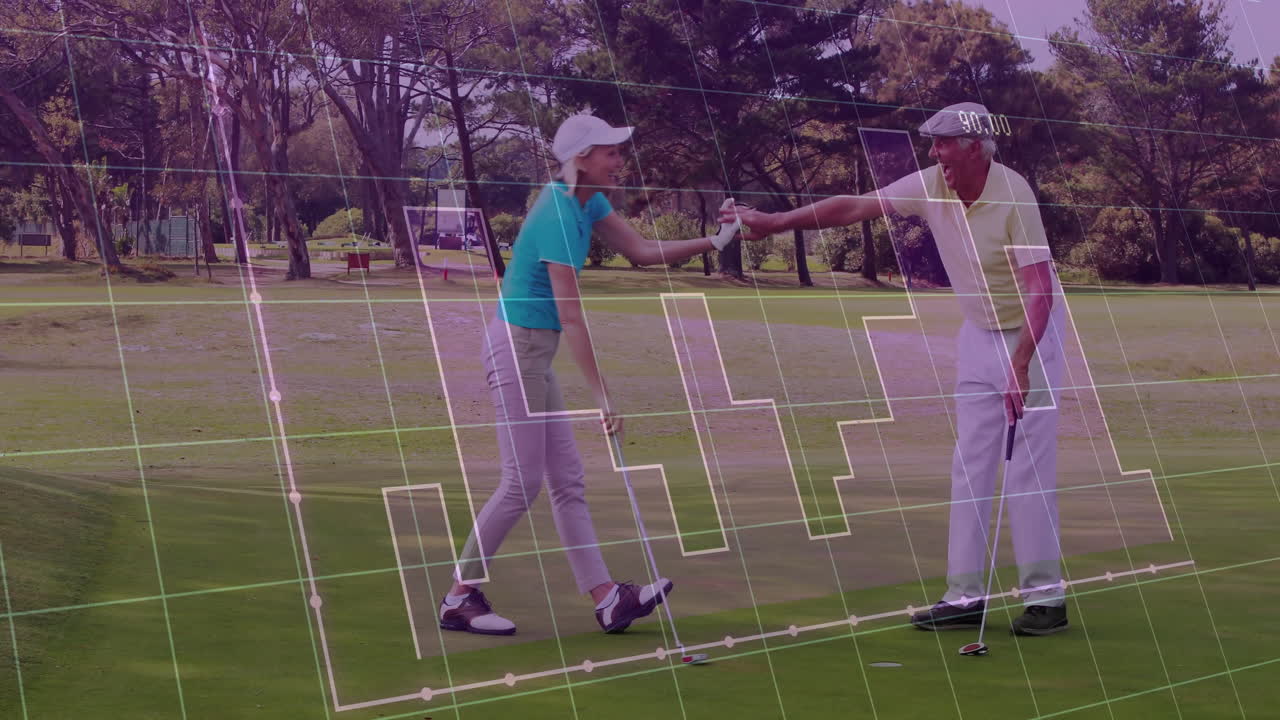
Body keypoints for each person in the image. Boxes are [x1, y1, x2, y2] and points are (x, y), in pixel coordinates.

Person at [720, 102, 1069, 637]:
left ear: (975, 147)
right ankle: (964, 597)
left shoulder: (1013, 194)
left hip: (1032, 334)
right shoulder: (932, 184)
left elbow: (1041, 288)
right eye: (933, 144)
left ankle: (1047, 598)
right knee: (970, 462)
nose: (935, 153)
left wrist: (1021, 364)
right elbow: (853, 207)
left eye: (944, 142)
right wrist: (775, 222)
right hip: (978, 332)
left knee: (1025, 464)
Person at [441, 113, 747, 636]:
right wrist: (602, 396)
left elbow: (641, 252)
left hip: (534, 351)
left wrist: (715, 243)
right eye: (610, 152)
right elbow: (571, 316)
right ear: (582, 158)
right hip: (516, 349)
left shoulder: (589, 200)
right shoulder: (559, 213)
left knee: (568, 482)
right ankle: (458, 598)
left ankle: (607, 600)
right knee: (521, 484)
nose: (621, 162)